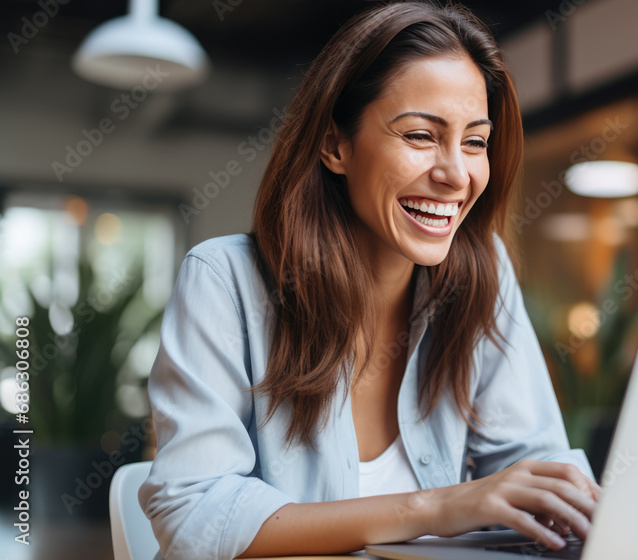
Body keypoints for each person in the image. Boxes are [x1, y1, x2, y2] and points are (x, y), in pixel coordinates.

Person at [138, 1, 601, 558]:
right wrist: (438, 508)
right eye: (420, 136)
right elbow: (194, 516)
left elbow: (534, 468)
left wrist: (575, 506)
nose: (455, 174)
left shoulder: (482, 274)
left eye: (475, 141)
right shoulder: (225, 281)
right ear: (336, 145)